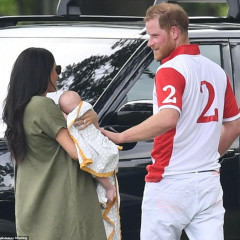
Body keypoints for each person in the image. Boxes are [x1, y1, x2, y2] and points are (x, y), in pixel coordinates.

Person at [101, 3, 240, 240]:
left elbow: (168, 117)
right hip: (208, 181)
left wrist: (121, 136)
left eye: (155, 35)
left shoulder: (170, 70)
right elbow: (234, 125)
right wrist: (206, 155)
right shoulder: (216, 71)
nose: (150, 42)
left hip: (170, 182)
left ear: (174, 32)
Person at [2, 47, 107, 240]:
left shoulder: (19, 108)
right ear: (42, 73)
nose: (58, 74)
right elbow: (78, 152)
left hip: (35, 208)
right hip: (62, 209)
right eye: (56, 69)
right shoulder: (42, 106)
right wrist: (92, 122)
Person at [59, 90, 121, 240]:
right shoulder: (84, 111)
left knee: (97, 165)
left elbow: (86, 133)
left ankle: (108, 187)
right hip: (98, 152)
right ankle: (108, 187)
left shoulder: (83, 113)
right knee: (97, 166)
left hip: (98, 150)